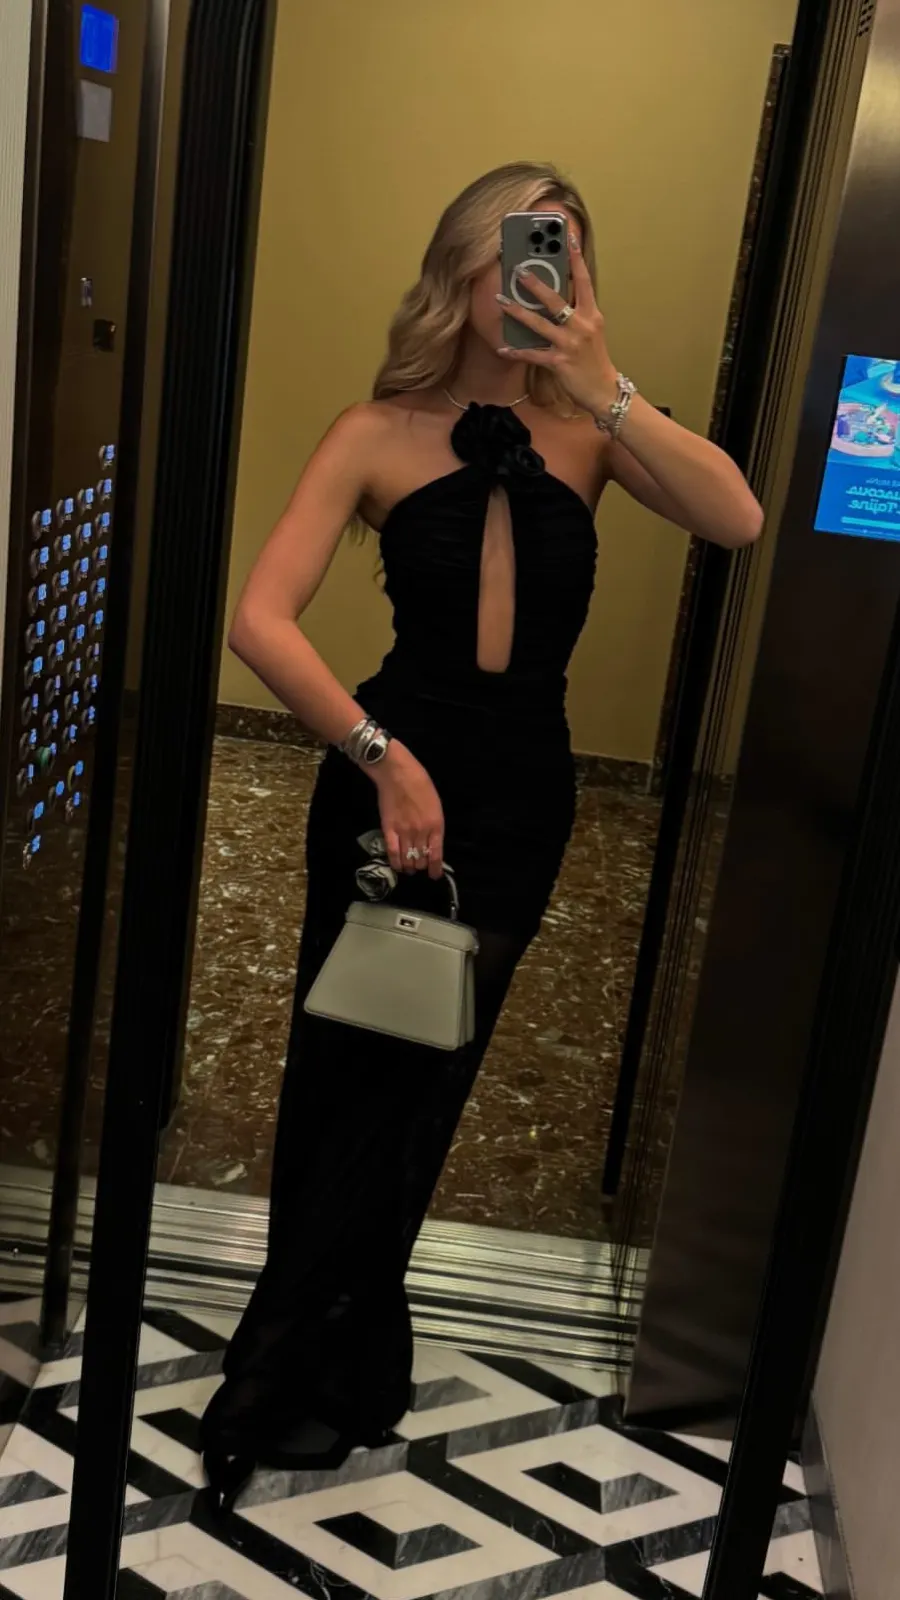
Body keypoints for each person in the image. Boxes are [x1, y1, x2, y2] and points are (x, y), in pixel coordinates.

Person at [200, 161, 763, 1509]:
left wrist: (605, 381)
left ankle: (353, 1350)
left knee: (428, 1083)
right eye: (513, 254)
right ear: (458, 269)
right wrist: (382, 759)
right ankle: (282, 1368)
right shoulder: (376, 431)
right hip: (388, 776)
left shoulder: (593, 432)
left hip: (518, 799)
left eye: (561, 258)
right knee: (344, 1069)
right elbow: (258, 620)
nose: (534, 281)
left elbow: (738, 518)